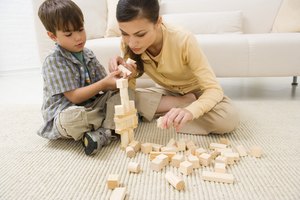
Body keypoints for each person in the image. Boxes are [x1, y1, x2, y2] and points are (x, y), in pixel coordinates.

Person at [109, 0, 239, 135]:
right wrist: (127, 75)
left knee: (227, 119)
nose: (132, 42)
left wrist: (191, 111)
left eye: (140, 34)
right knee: (117, 101)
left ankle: (171, 113)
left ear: (158, 22)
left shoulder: (183, 39)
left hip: (198, 92)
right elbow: (129, 92)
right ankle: (177, 108)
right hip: (167, 93)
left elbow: (214, 89)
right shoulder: (127, 44)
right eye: (124, 33)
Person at [37, 0, 122, 155]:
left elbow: (106, 85)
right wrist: (104, 84)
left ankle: (103, 132)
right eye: (69, 34)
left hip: (91, 106)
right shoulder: (53, 61)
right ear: (52, 36)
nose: (78, 38)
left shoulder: (88, 54)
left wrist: (118, 76)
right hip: (66, 112)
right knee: (71, 118)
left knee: (122, 95)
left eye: (80, 29)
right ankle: (109, 125)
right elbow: (75, 97)